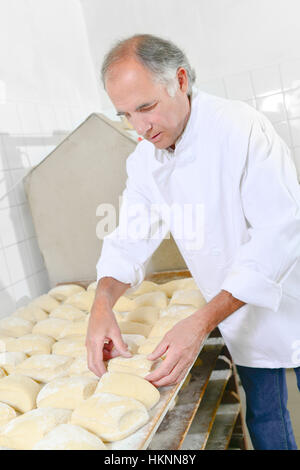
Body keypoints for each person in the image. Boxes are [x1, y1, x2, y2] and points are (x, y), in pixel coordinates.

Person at [86, 34, 300, 450]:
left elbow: (280, 233)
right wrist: (101, 304)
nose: (141, 127)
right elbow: (128, 236)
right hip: (240, 316)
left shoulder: (239, 127)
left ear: (180, 80)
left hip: (292, 295)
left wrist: (201, 321)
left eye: (146, 107)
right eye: (126, 114)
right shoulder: (144, 159)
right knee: (265, 416)